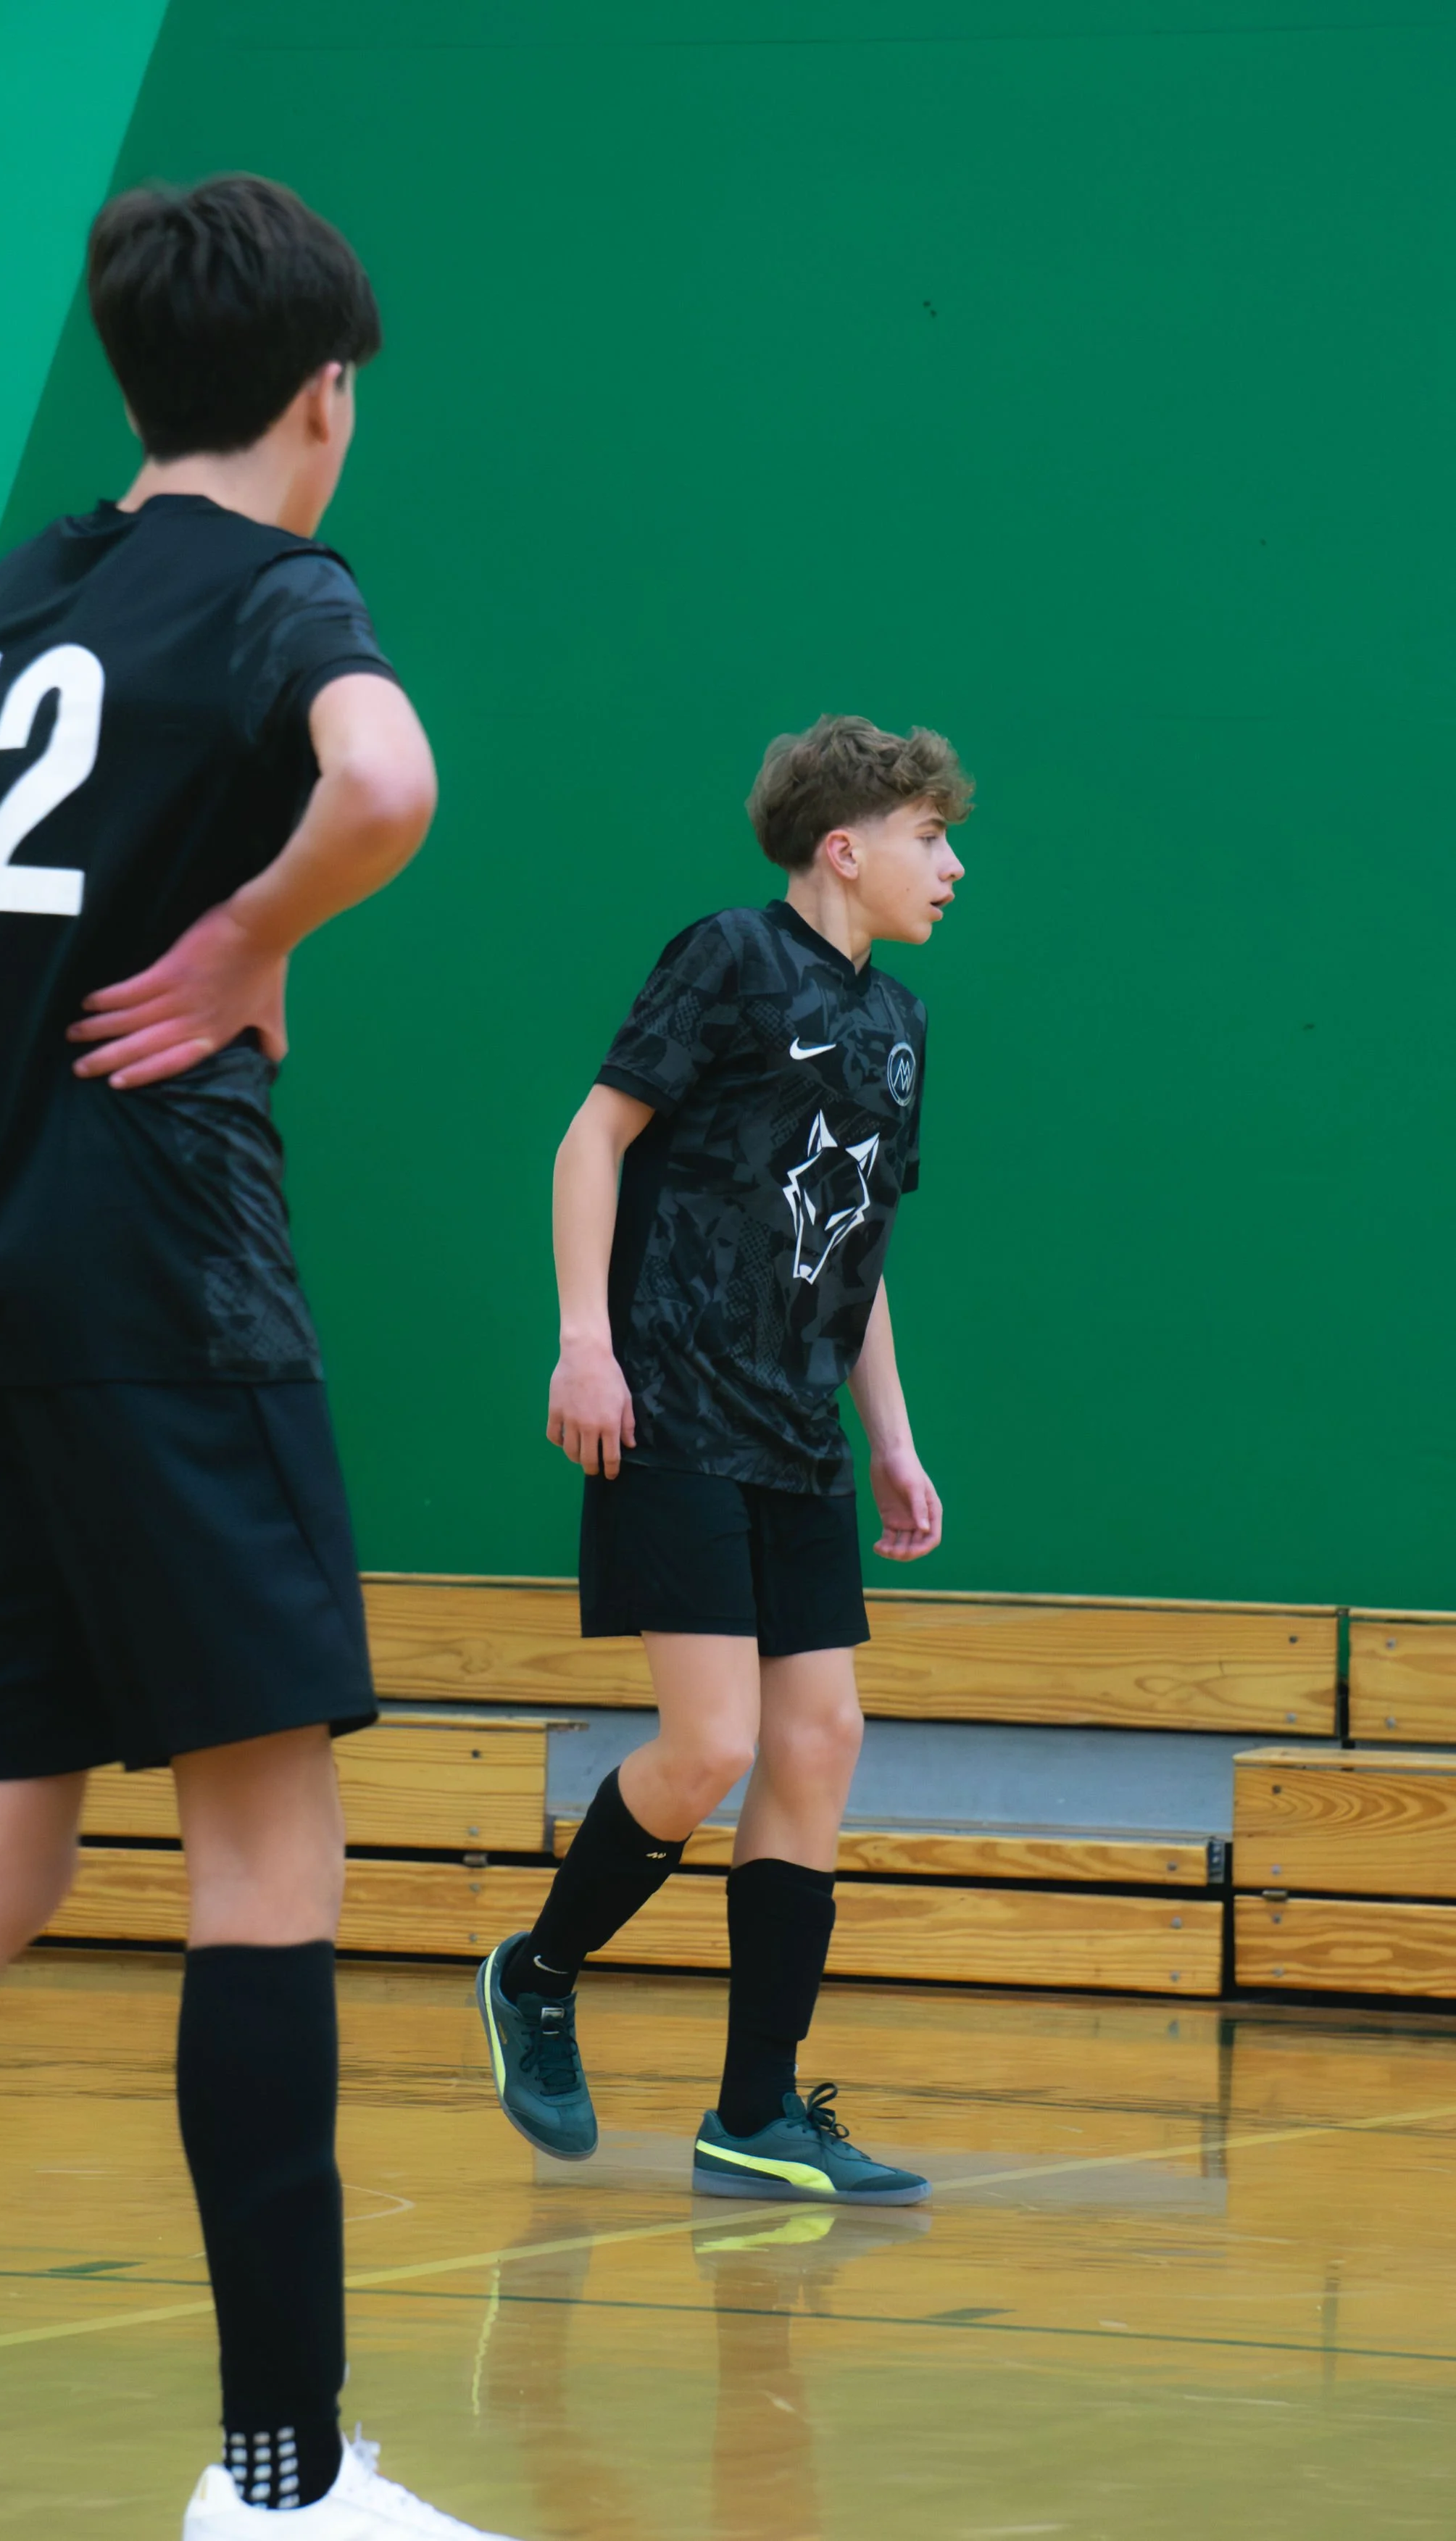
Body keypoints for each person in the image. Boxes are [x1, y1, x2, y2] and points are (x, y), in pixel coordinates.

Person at [0, 177, 520, 2541]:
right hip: (166, 1282)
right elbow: (382, 784)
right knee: (261, 1848)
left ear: (128, 387)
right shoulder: (282, 589)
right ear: (329, 395)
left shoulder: (15, 597)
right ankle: (280, 2481)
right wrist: (236, 936)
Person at [478, 714, 968, 2207]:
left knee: (817, 1742)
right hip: (673, 1405)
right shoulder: (727, 957)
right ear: (846, 845)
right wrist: (583, 1339)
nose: (950, 864)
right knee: (710, 1746)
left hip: (796, 1433)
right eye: (928, 835)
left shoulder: (901, 1026)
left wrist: (888, 1433)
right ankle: (536, 1973)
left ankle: (753, 2111)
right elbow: (591, 1137)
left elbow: (855, 1249)